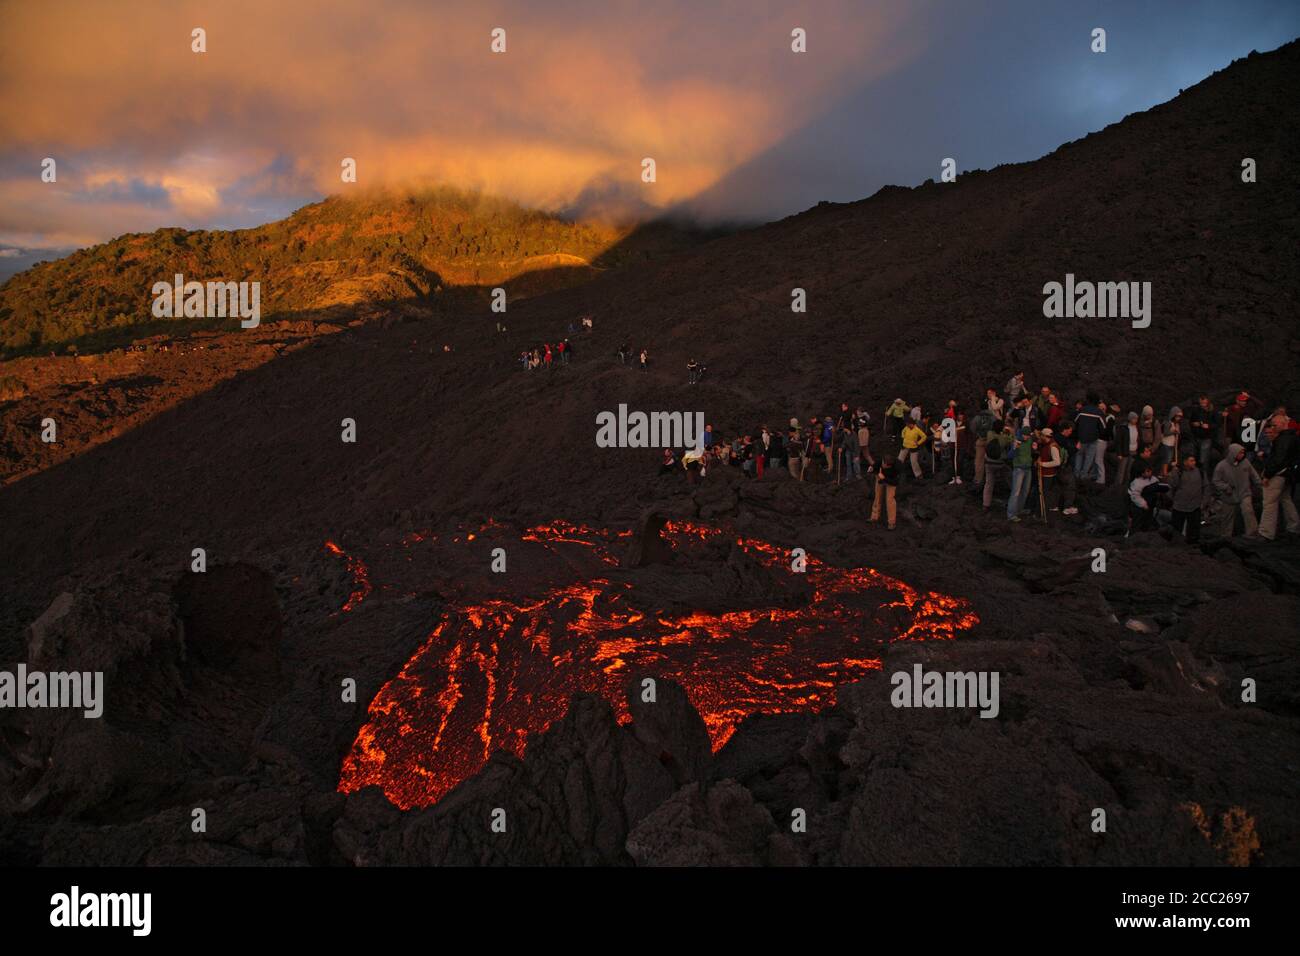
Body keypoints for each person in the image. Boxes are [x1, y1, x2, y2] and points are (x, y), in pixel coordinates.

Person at [1258, 414, 1300, 540]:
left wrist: (1267, 475)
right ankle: (1294, 527)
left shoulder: (1284, 439)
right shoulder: (1291, 437)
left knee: (1269, 502)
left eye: (1275, 424)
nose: (1274, 427)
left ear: (1283, 423)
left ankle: (1266, 532)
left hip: (1278, 474)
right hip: (1288, 474)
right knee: (1286, 499)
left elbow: (1279, 459)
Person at [1211, 443, 1262, 538]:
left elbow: (1254, 475)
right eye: (1240, 453)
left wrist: (1260, 485)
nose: (1242, 455)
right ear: (1233, 453)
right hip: (1228, 495)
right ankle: (1226, 535)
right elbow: (1216, 481)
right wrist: (1226, 487)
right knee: (1227, 517)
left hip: (1244, 493)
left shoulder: (1246, 462)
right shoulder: (1221, 466)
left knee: (1248, 512)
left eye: (1243, 453)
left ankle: (1252, 533)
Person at [1167, 454, 1207, 544]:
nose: (1194, 463)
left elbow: (1206, 487)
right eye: (1191, 460)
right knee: (1176, 530)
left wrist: (1204, 502)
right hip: (1179, 506)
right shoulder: (1178, 472)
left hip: (1195, 506)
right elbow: (1172, 485)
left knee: (1194, 531)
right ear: (1185, 462)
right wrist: (1174, 472)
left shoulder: (1200, 472)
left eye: (1194, 460)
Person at [1073, 393, 1106, 483]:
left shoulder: (1082, 410)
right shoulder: (1099, 412)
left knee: (1079, 455)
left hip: (1081, 438)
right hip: (1093, 439)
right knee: (1089, 458)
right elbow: (1103, 427)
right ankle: (1083, 476)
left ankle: (1076, 474)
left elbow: (1075, 422)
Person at [1007, 427, 1035, 521]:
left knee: (1025, 491)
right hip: (1019, 469)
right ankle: (1011, 514)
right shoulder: (1016, 441)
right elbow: (1010, 456)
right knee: (1016, 492)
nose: (1026, 437)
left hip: (1028, 468)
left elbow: (1031, 451)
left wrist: (1034, 448)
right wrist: (1014, 448)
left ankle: (1019, 509)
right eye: (1025, 435)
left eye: (1028, 435)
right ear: (1021, 434)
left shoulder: (1030, 440)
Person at [982, 422, 1012, 511]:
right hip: (1000, 463)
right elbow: (1011, 440)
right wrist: (1009, 432)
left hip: (988, 462)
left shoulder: (989, 434)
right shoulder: (1004, 439)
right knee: (1009, 476)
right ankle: (1014, 493)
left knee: (989, 483)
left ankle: (986, 504)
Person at [1188, 395, 1217, 474]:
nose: (1202, 404)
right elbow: (1190, 422)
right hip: (1196, 437)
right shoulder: (1196, 410)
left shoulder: (1212, 411)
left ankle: (1204, 476)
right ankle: (1196, 474)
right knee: (1194, 457)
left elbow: (1217, 424)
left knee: (1203, 459)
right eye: (1201, 402)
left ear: (1207, 401)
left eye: (1204, 402)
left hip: (1207, 438)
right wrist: (1194, 424)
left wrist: (1209, 426)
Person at [1037, 428, 1062, 515]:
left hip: (1048, 474)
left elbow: (1057, 462)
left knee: (1045, 492)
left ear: (1044, 436)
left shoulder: (1052, 447)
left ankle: (1045, 510)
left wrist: (1042, 464)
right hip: (1044, 473)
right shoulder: (1046, 444)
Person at [870, 458, 900, 530]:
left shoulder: (897, 468)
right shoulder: (882, 460)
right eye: (882, 463)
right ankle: (874, 517)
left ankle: (891, 523)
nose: (882, 465)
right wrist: (872, 468)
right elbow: (875, 464)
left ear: (888, 466)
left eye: (884, 465)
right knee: (877, 496)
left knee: (890, 500)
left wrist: (884, 479)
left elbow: (895, 482)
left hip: (891, 481)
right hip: (880, 477)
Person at [1114, 410, 1140, 489]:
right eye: (1134, 419)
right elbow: (1119, 441)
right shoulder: (1124, 428)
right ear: (1130, 419)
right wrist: (1119, 453)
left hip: (1133, 451)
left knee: (1129, 470)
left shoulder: (1137, 427)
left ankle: (1126, 486)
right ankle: (1117, 487)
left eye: (1136, 419)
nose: (1136, 420)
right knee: (1121, 470)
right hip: (1125, 451)